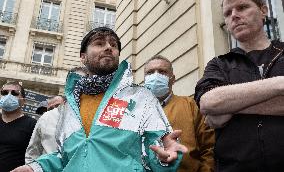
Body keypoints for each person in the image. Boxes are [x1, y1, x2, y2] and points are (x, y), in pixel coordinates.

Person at [12, 27, 188, 172]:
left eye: (113, 45)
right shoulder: (69, 108)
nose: (108, 47)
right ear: (83, 57)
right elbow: (67, 156)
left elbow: (158, 151)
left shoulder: (141, 97)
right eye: (99, 43)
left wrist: (165, 159)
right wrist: (36, 168)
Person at [195, 0, 284, 172]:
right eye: (227, 13)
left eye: (242, 7)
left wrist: (231, 106)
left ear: (263, 10)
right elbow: (209, 102)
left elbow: (218, 107)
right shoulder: (218, 64)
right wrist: (279, 84)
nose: (234, 15)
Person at [144, 55, 215, 172]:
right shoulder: (135, 112)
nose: (156, 76)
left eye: (162, 72)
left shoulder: (190, 105)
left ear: (173, 79)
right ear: (145, 79)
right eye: (150, 72)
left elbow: (209, 147)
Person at [0, 81, 36, 172]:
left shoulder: (32, 125)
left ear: (23, 101)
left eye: (14, 93)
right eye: (4, 93)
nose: (8, 96)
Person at [25, 95, 66, 163]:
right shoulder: (44, 120)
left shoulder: (77, 123)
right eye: (50, 109)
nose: (54, 110)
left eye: (57, 106)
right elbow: (32, 152)